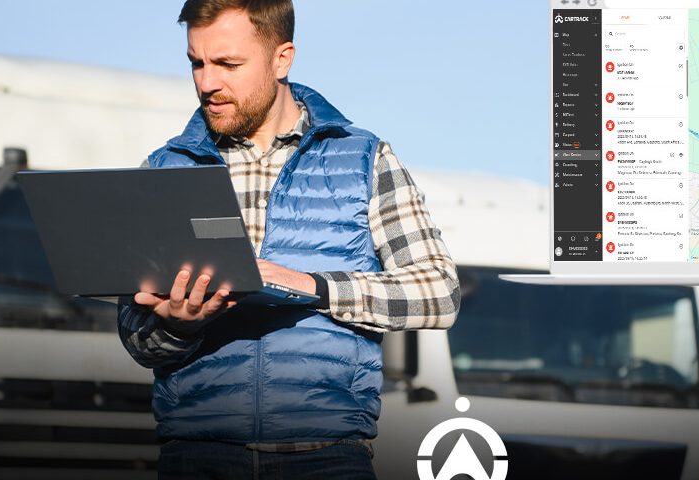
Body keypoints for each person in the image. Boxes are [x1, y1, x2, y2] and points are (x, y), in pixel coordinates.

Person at [115, 1, 461, 478]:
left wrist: (315, 286)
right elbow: (136, 338)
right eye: (197, 63)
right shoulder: (163, 170)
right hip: (198, 459)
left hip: (331, 459)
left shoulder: (364, 159)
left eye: (228, 64)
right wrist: (177, 327)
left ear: (283, 59)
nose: (207, 82)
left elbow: (438, 292)